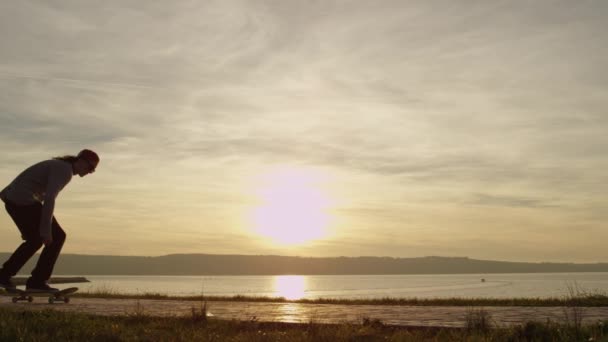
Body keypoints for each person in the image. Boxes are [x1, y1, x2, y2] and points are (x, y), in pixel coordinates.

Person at [0, 149, 99, 292]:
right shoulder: (65, 170)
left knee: (34, 240)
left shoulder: (59, 165)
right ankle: (37, 282)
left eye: (93, 170)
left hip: (13, 202)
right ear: (81, 161)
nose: (90, 172)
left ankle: (3, 275)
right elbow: (49, 199)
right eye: (90, 168)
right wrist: (46, 230)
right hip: (24, 202)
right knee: (58, 236)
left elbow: (22, 182)